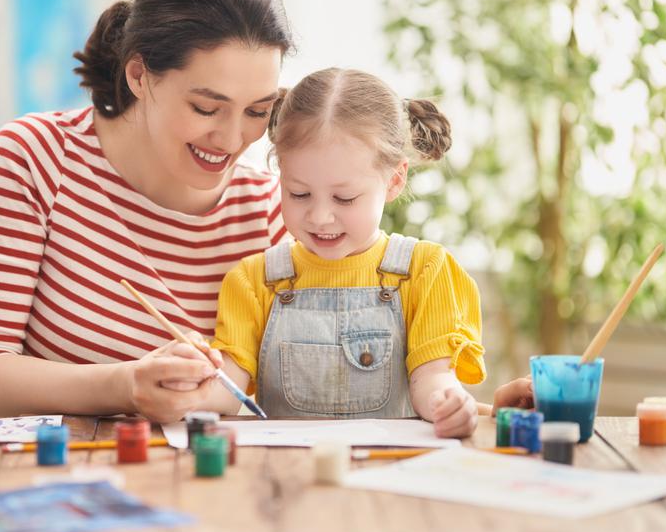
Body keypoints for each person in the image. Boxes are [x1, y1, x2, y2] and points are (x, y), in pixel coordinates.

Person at [0, 0, 290, 422]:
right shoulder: (37, 160)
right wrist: (125, 385)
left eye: (257, 112)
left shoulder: (271, 211)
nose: (233, 140)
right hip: (23, 472)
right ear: (139, 76)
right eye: (206, 109)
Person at [193, 68, 486, 437]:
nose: (319, 216)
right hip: (286, 479)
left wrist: (448, 403)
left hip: (386, 477)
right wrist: (190, 385)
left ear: (395, 179)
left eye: (344, 198)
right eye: (298, 193)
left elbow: (432, 378)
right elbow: (227, 390)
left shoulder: (425, 271)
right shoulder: (254, 281)